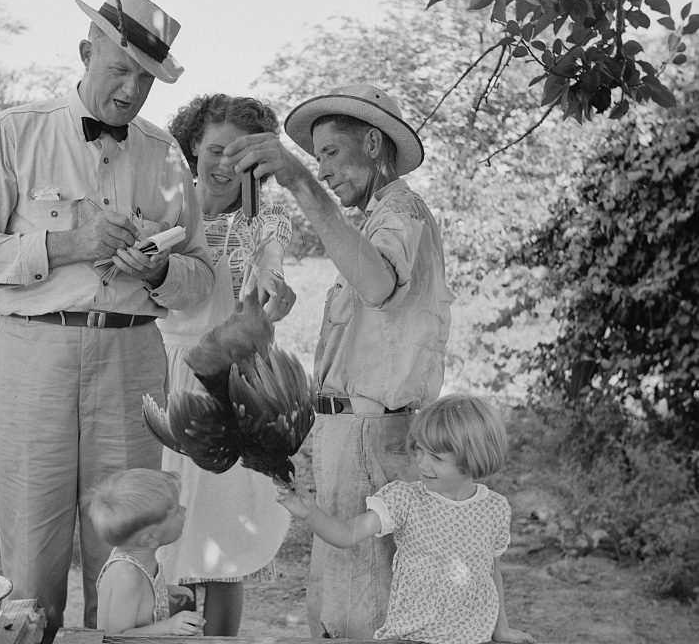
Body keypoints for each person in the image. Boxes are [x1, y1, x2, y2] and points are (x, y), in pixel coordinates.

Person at [0, 0, 214, 642]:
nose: (130, 91)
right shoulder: (15, 132)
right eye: (118, 70)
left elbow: (197, 282)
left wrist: (162, 270)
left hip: (134, 360)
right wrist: (67, 246)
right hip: (34, 357)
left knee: (130, 547)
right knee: (32, 550)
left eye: (145, 79)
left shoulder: (168, 156)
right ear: (86, 53)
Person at [222, 83, 454, 638]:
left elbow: (375, 284)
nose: (322, 170)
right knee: (340, 605)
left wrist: (297, 181)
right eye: (315, 159)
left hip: (372, 436)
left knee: (363, 613)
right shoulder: (373, 220)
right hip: (347, 437)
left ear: (373, 144)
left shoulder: (403, 209)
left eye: (329, 154)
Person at [156, 93, 296, 636]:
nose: (224, 165)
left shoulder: (263, 225)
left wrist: (274, 298)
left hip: (227, 382)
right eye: (215, 149)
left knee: (218, 535)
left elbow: (271, 280)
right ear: (192, 144)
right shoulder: (164, 206)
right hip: (160, 373)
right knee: (163, 529)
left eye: (239, 155)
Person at [277, 394, 535, 644]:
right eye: (419, 450)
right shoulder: (405, 499)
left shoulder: (495, 508)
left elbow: (492, 570)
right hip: (411, 637)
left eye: (436, 457)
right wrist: (310, 513)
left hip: (472, 637)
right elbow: (347, 534)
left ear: (471, 460)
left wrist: (501, 629)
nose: (422, 463)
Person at [86, 468, 206, 635]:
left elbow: (137, 600)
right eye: (176, 511)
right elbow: (117, 638)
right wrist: (170, 626)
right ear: (150, 538)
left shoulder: (138, 557)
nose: (184, 510)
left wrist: (163, 592)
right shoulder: (127, 576)